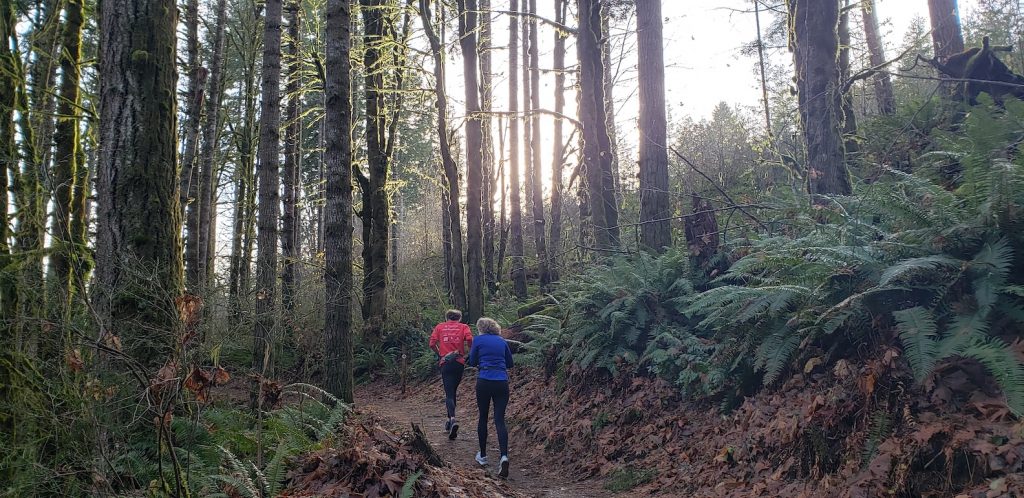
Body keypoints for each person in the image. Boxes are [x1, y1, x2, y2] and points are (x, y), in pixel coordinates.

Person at [467, 317, 514, 478]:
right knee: (500, 419)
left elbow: (472, 361)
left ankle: (483, 455)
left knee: (483, 417)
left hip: (484, 380)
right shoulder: (502, 341)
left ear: (481, 328)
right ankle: (504, 456)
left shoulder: (478, 340)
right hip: (501, 381)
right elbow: (510, 363)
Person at [429, 309, 473, 440]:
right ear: (459, 318)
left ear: (447, 317)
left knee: (449, 393)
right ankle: (450, 420)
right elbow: (470, 339)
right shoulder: (463, 327)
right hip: (459, 362)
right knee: (453, 391)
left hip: (445, 362)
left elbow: (431, 343)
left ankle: (452, 419)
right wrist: (469, 353)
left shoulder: (440, 327)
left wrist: (439, 354)